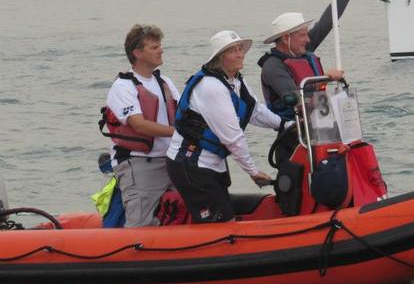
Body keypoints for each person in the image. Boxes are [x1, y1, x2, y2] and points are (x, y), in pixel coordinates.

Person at [167, 30, 282, 223]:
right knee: (222, 222)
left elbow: (256, 111)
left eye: (240, 49)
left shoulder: (237, 81)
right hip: (192, 164)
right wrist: (252, 171)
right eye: (233, 51)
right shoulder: (212, 87)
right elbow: (233, 138)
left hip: (214, 164)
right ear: (220, 58)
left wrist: (285, 124)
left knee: (224, 215)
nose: (240, 54)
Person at [258, 0, 366, 120]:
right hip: (295, 131)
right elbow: (297, 98)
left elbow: (327, 22)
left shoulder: (301, 50)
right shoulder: (272, 66)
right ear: (286, 38)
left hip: (320, 124)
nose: (308, 40)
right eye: (302, 35)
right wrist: (325, 78)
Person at [104, 24, 180, 227]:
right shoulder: (123, 86)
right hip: (139, 163)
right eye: (154, 47)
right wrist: (178, 132)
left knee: (184, 211)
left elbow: (184, 115)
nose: (161, 50)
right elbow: (139, 125)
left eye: (160, 45)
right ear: (137, 53)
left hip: (171, 161)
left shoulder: (164, 81)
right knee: (140, 223)